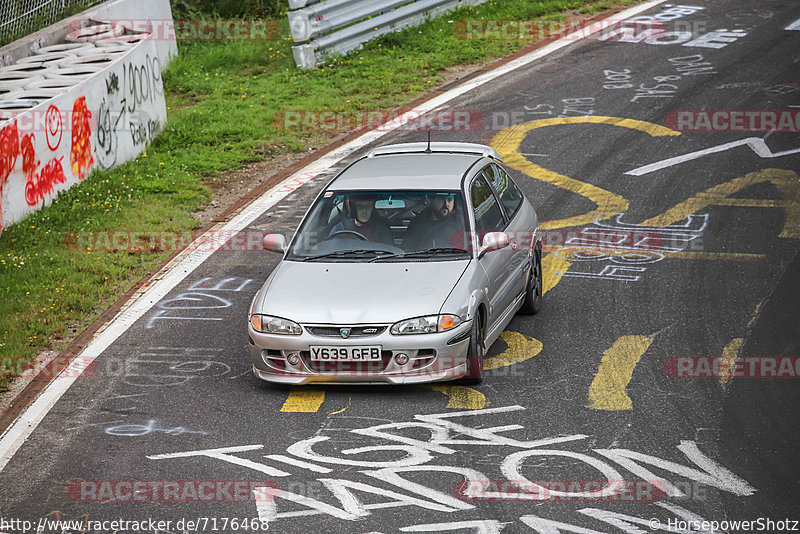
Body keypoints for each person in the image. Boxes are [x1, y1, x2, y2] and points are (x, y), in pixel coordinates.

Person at [328, 193, 394, 246]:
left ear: (373, 209)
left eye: (368, 207)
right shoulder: (340, 229)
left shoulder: (381, 230)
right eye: (360, 207)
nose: (364, 211)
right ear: (354, 209)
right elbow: (331, 249)